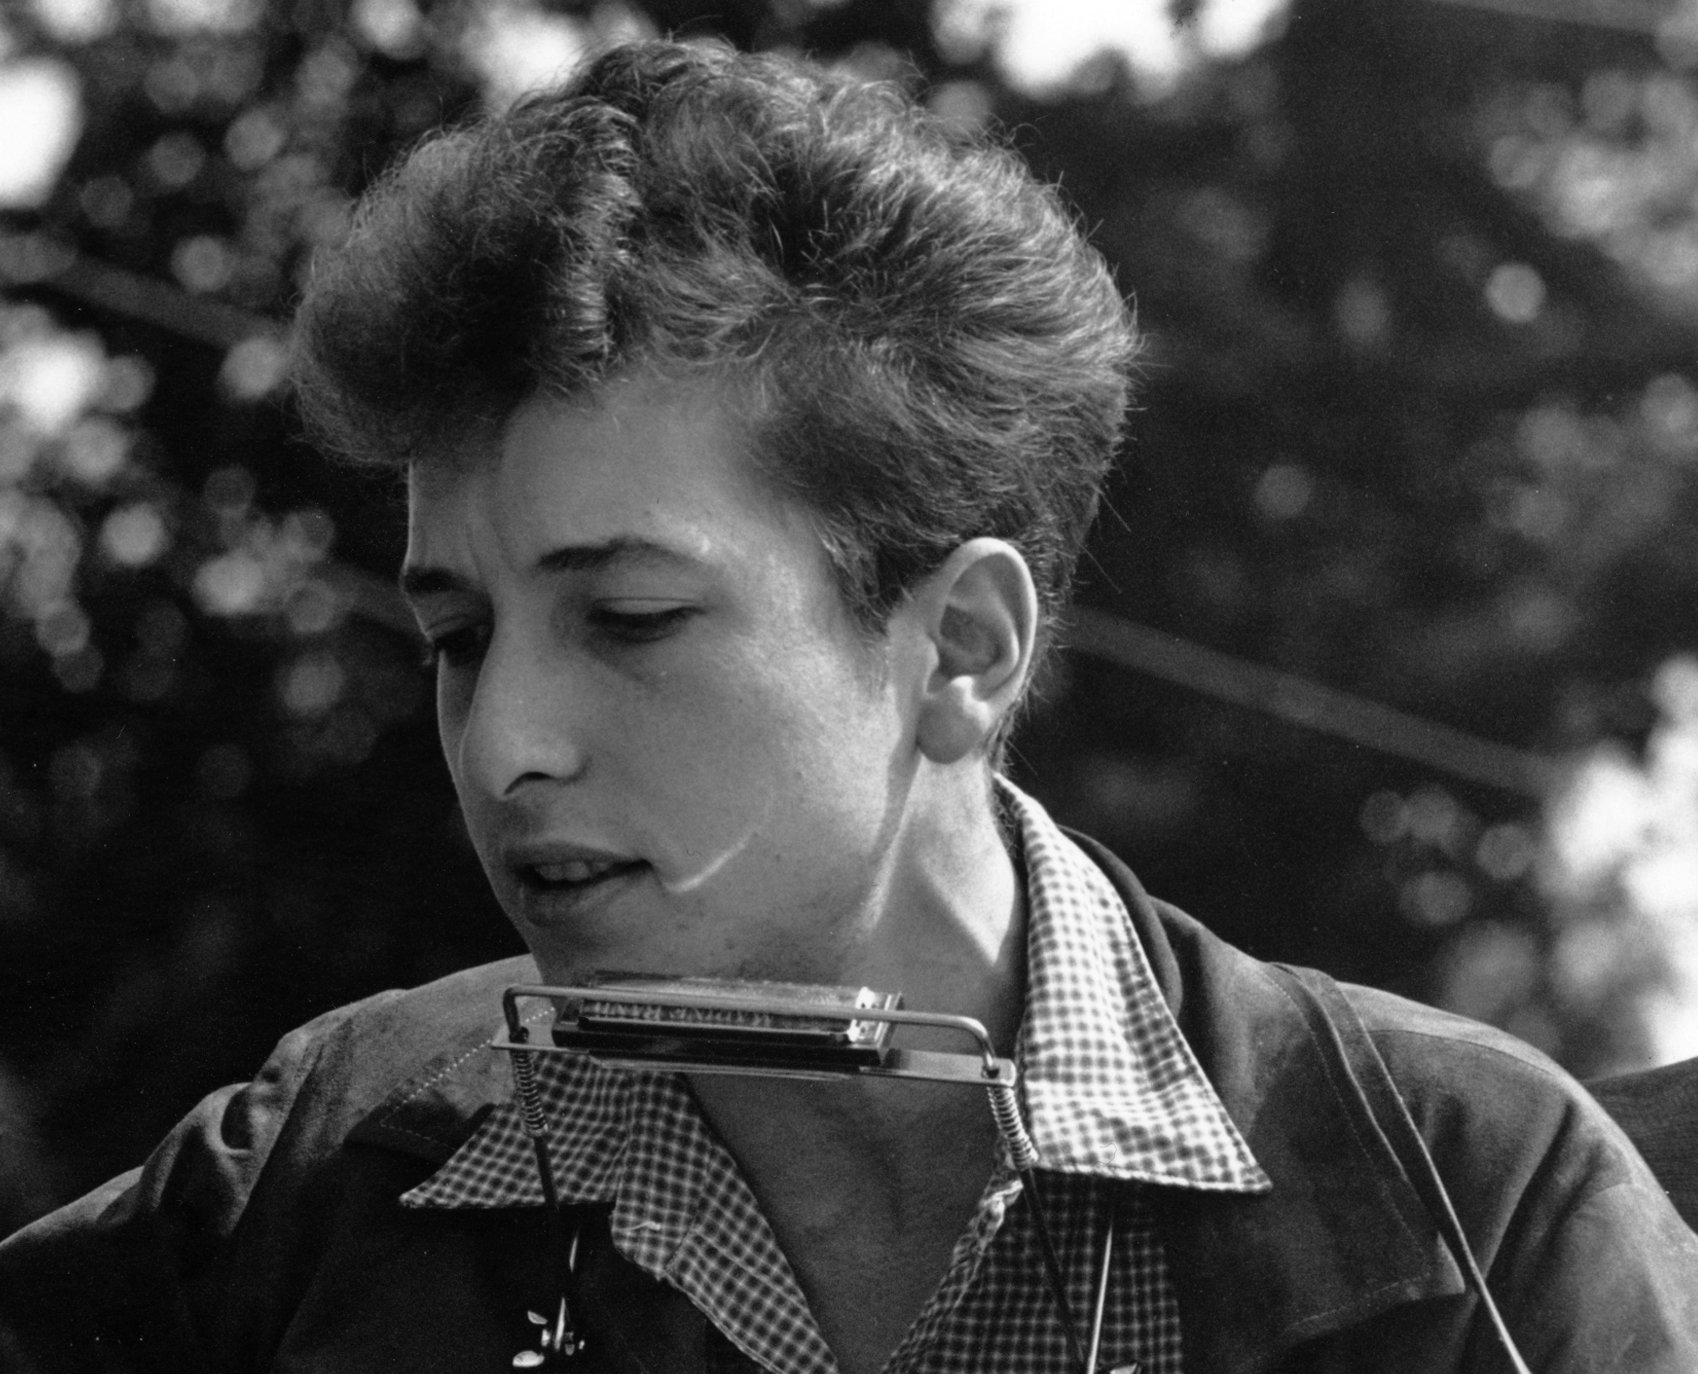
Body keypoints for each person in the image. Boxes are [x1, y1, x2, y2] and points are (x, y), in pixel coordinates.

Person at [2, 38, 1695, 1374]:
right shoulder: (309, 1171)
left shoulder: (1470, 1192)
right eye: (455, 633)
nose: (507, 737)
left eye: (631, 617)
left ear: (959, 645)